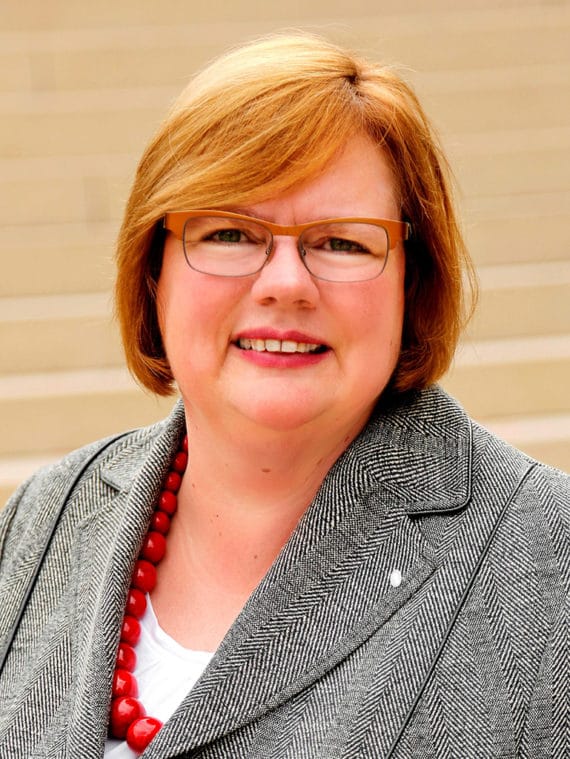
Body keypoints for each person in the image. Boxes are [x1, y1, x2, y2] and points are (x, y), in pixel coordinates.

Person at [0, 31, 568, 759]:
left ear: (412, 284)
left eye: (343, 243)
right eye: (230, 233)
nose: (286, 284)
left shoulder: (547, 565)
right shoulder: (44, 518)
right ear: (153, 272)